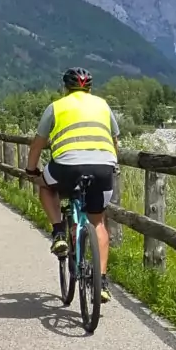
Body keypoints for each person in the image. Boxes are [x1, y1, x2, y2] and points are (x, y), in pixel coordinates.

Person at [24, 67, 120, 303]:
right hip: (103, 166)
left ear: (65, 88)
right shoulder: (103, 106)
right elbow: (115, 141)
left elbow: (37, 145)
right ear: (90, 88)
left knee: (45, 186)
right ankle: (102, 282)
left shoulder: (56, 107)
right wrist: (113, 165)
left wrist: (31, 170)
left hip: (67, 167)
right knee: (98, 222)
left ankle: (58, 232)